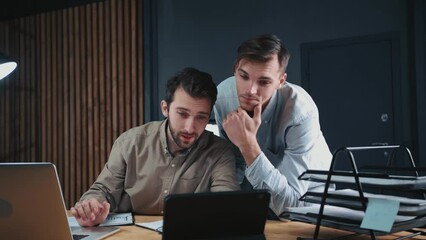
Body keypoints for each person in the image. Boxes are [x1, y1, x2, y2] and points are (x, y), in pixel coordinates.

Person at [71, 67, 240, 227]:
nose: (190, 128)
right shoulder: (130, 142)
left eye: (201, 117)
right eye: (182, 114)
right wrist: (91, 207)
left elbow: (225, 205)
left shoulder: (220, 152)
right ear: (165, 108)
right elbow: (103, 190)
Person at [214, 34, 332, 218]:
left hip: (309, 205)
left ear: (280, 81)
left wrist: (248, 145)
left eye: (264, 81)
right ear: (236, 69)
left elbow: (291, 204)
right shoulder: (222, 97)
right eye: (243, 76)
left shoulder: (301, 112)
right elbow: (233, 165)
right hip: (253, 200)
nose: (250, 90)